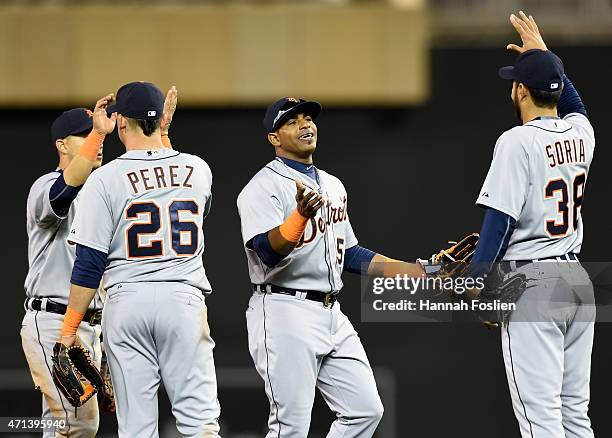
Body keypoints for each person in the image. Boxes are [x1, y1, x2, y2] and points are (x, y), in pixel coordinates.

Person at [237, 97, 424, 437]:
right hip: (283, 309)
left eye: (308, 118)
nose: (305, 125)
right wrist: (299, 219)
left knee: (365, 411)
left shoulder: (332, 184)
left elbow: (350, 254)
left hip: (330, 312)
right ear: (274, 138)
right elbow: (265, 252)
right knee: (290, 427)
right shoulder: (261, 188)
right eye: (292, 121)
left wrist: (416, 272)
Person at [58, 82, 220, 438]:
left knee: (136, 429)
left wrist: (69, 331)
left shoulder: (103, 179)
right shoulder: (199, 169)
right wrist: (164, 132)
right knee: (199, 422)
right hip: (183, 299)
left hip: (127, 301)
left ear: (120, 123)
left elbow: (88, 263)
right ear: (161, 120)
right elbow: (179, 187)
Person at [467, 12, 595, 438]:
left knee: (541, 423)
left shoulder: (516, 141)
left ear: (520, 90)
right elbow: (574, 104)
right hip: (577, 281)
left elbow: (500, 219)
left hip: (532, 282)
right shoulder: (582, 133)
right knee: (575, 417)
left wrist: (479, 281)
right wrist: (545, 56)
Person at [21, 103, 107, 437]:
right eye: (84, 135)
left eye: (96, 136)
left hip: (90, 326)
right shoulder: (45, 185)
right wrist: (100, 132)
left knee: (70, 425)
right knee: (72, 426)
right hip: (54, 321)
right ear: (61, 145)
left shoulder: (103, 194)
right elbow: (63, 193)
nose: (95, 143)